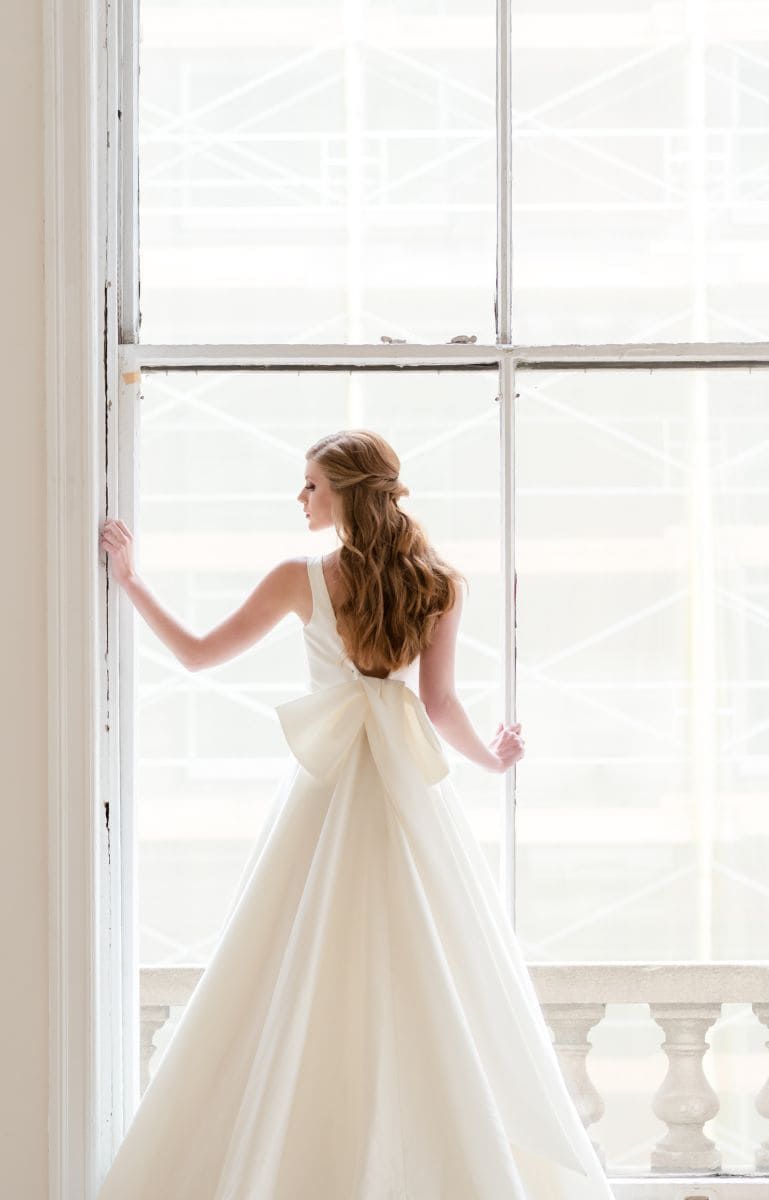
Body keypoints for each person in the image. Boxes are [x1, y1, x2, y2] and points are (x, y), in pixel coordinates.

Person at [96, 429, 615, 1199]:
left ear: (346, 492)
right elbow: (438, 706)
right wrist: (491, 758)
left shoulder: (300, 578)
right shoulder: (438, 582)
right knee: (428, 969)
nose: (301, 499)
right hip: (408, 794)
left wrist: (132, 582)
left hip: (326, 789)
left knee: (288, 964)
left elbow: (199, 655)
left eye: (311, 485)